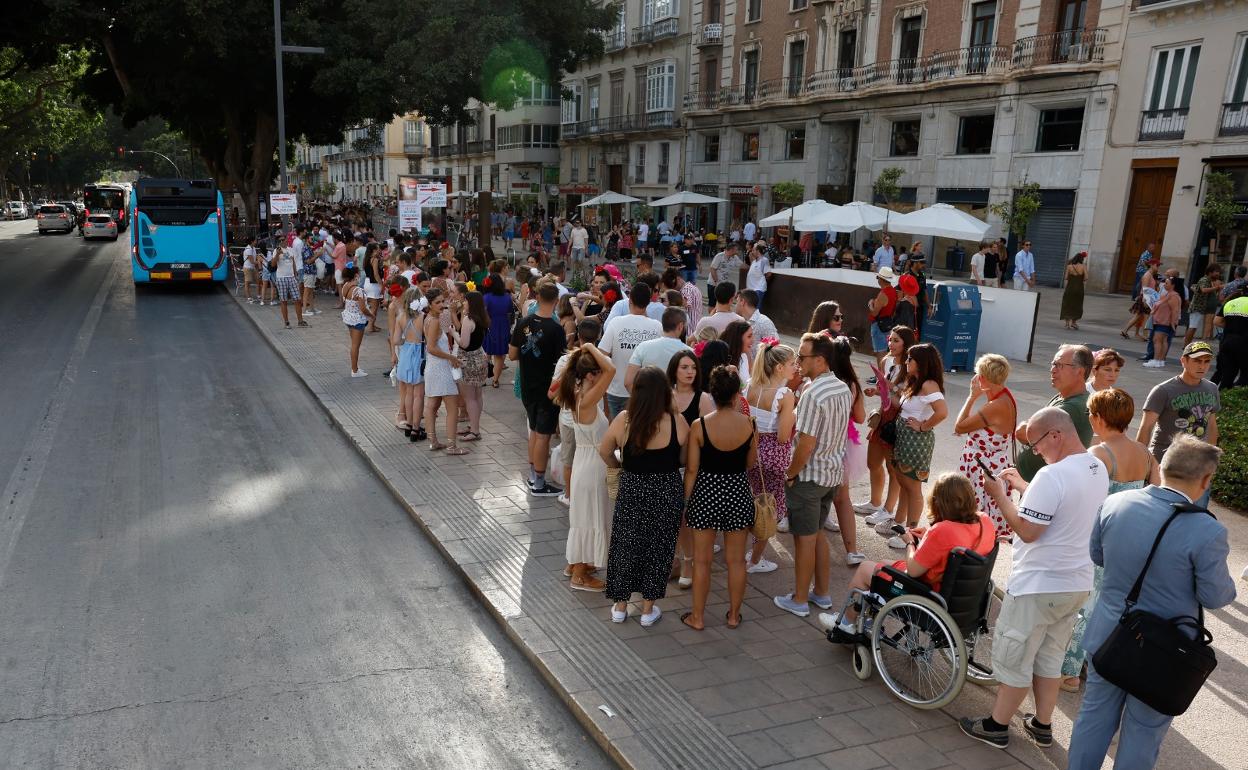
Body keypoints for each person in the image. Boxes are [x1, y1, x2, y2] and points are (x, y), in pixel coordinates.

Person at [1067, 436, 1236, 769]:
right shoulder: (1207, 531)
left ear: (1162, 466)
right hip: (1163, 652)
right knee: (1143, 733)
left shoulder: (1117, 502)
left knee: (1094, 717)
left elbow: (1097, 556)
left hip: (1109, 634)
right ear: (1205, 481)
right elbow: (1216, 596)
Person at [959, 408, 1108, 750]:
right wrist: (1024, 486)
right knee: (1050, 657)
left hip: (1040, 584)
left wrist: (1000, 496)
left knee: (1016, 654)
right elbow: (1064, 507)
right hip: (1076, 583)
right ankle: (1042, 724)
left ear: (1056, 435)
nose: (1035, 451)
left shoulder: (1051, 476)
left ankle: (996, 726)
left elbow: (1027, 531)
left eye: (1036, 444)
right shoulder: (1096, 467)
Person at [1059, 387, 1160, 692]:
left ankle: (1069, 672)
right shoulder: (1145, 453)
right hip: (1133, 541)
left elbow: (1080, 498)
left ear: (1099, 418)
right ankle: (1099, 662)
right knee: (1112, 604)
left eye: (1090, 413)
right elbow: (1156, 492)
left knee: (1084, 604)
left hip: (1099, 540)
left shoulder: (1099, 455)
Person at [818, 473, 996, 633]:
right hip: (964, 595)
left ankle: (847, 622)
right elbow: (961, 541)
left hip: (928, 593)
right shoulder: (985, 521)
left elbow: (913, 571)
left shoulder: (942, 530)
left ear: (939, 502)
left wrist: (909, 542)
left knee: (866, 569)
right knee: (886, 563)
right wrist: (928, 535)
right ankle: (869, 620)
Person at [599, 367, 689, 627]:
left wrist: (619, 467)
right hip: (666, 489)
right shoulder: (676, 421)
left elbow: (604, 450)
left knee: (626, 545)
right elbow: (684, 458)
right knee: (659, 547)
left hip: (632, 489)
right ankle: (648, 609)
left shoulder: (625, 419)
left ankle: (620, 605)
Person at [773, 333, 852, 617]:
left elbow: (806, 443)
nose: (798, 362)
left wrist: (790, 474)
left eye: (802, 357)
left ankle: (799, 599)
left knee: (804, 539)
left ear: (820, 360)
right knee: (817, 535)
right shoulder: (842, 388)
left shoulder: (812, 393)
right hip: (831, 474)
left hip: (809, 477)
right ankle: (821, 593)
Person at [681, 365, 758, 631]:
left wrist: (686, 502)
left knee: (702, 561)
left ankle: (698, 617)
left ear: (712, 394)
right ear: (737, 394)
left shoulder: (699, 425)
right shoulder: (749, 424)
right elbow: (750, 463)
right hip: (737, 492)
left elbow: (691, 469)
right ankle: (734, 616)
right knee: (736, 561)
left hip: (705, 492)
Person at [555, 343, 616, 592]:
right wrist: (590, 345)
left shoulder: (577, 392)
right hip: (592, 467)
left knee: (584, 518)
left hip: (585, 462)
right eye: (597, 373)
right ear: (592, 375)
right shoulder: (589, 398)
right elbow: (610, 369)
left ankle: (576, 564)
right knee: (591, 518)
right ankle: (580, 575)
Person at [886, 343, 948, 549]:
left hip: (917, 441)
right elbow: (903, 407)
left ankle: (911, 534)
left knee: (913, 487)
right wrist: (884, 391)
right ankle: (900, 525)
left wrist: (923, 427)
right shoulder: (915, 381)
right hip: (905, 437)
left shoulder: (929, 384)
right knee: (904, 482)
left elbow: (942, 412)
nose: (906, 361)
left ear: (920, 362)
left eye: (910, 359)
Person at [510, 281, 567, 495]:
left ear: (537, 296)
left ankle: (533, 476)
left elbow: (512, 354)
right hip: (547, 388)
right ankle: (540, 484)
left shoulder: (523, 322)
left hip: (527, 385)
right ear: (556, 301)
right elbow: (562, 362)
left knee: (534, 430)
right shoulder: (556, 329)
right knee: (544, 435)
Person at [744, 341, 797, 569]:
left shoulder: (749, 386)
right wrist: (795, 415)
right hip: (774, 454)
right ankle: (755, 559)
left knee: (753, 501)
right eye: (792, 363)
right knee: (769, 509)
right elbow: (784, 436)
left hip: (750, 451)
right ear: (779, 368)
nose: (796, 368)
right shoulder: (784, 394)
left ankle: (745, 552)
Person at [954, 354, 1018, 539]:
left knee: (976, 526)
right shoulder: (1004, 397)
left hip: (982, 471)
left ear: (982, 378)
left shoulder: (996, 406)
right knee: (983, 526)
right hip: (990, 466)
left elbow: (959, 426)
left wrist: (972, 397)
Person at [859, 325, 915, 527]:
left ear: (906, 344)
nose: (890, 344)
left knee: (893, 469)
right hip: (883, 416)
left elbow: (908, 398)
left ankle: (888, 509)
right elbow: (884, 389)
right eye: (890, 339)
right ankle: (875, 502)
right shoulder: (886, 361)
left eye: (896, 340)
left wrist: (891, 388)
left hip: (897, 419)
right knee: (873, 462)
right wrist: (875, 391)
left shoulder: (911, 367)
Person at [1137, 341, 1220, 474]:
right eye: (1197, 361)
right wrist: (1140, 461)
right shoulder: (1163, 390)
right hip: (1164, 461)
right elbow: (1146, 427)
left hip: (1197, 462)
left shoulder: (1212, 388)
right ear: (1183, 361)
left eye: (1206, 361)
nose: (1202, 366)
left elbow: (1211, 425)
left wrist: (1211, 458)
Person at [1015, 344, 1094, 481]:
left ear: (1080, 372)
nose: (1052, 370)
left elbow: (1023, 433)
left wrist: (1028, 429)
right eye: (1053, 364)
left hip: (1047, 485)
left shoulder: (1073, 407)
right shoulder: (1062, 397)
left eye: (1059, 365)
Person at [601, 283, 662, 419]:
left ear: (630, 300)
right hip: (646, 391)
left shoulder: (616, 323)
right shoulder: (657, 326)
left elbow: (602, 354)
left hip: (617, 388)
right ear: (648, 302)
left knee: (617, 432)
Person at [421, 289, 468, 456]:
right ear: (430, 304)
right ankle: (451, 446)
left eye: (443, 301)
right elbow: (431, 348)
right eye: (438, 302)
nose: (442, 305)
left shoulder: (429, 318)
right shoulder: (433, 321)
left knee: (432, 405)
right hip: (440, 367)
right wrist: (451, 358)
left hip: (433, 367)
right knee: (452, 408)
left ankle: (433, 441)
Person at [625, 307, 690, 392]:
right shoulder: (690, 353)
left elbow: (628, 382)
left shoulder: (643, 347)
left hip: (647, 401)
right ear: (681, 326)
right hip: (677, 403)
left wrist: (641, 401)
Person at [392, 288, 426, 443]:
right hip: (419, 354)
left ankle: (409, 424)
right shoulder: (424, 317)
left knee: (408, 393)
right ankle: (415, 429)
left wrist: (407, 341)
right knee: (419, 394)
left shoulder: (401, 317)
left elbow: (396, 340)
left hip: (406, 353)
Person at [454, 290, 489, 442]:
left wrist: (452, 332)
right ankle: (475, 425)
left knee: (469, 397)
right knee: (477, 395)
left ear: (471, 303)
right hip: (479, 357)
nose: (464, 303)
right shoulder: (481, 317)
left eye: (466, 301)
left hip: (469, 360)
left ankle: (475, 431)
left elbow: (464, 344)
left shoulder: (468, 319)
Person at [339, 266, 374, 377]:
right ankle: (354, 370)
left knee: (354, 344)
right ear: (356, 275)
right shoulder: (359, 290)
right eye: (359, 274)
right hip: (358, 320)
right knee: (355, 346)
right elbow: (363, 309)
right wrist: (371, 315)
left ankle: (355, 368)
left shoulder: (345, 286)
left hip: (349, 318)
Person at [1142, 275, 1183, 368]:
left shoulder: (1174, 296)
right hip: (1161, 321)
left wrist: (1173, 323)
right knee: (1162, 341)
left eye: (1167, 283)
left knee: (1157, 340)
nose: (1164, 284)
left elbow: (1175, 311)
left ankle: (1156, 360)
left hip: (1164, 322)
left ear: (1173, 285)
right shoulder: (1168, 294)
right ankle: (1160, 360)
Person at [482, 270, 513, 389]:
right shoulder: (507, 297)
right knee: (499, 355)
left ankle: (484, 379)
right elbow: (510, 312)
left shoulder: (486, 297)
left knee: (486, 354)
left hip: (490, 325)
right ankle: (495, 380)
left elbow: (484, 313)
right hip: (503, 325)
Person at [269, 238, 308, 329]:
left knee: (297, 299)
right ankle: (286, 322)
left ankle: (300, 321)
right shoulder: (276, 250)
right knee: (284, 301)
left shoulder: (291, 250)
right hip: (281, 277)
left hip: (291, 277)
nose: (283, 241)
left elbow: (293, 262)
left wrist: (295, 274)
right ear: (279, 242)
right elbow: (273, 264)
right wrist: (278, 254)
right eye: (281, 240)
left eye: (284, 240)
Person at [1213, 292, 1248, 389]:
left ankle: (1218, 396)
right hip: (1245, 343)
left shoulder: (1230, 303)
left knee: (1227, 373)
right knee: (1245, 375)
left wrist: (1231, 326)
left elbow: (1216, 321)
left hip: (1227, 341)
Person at [868, 267, 899, 366]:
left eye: (878, 278)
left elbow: (874, 313)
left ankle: (880, 377)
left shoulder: (883, 293)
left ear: (882, 279)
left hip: (879, 325)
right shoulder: (893, 291)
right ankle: (883, 376)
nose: (877, 280)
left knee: (880, 352)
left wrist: (870, 305)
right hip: (887, 324)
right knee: (885, 351)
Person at [1185, 263, 1223, 345]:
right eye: (1216, 272)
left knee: (1193, 327)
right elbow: (1203, 290)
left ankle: (1187, 345)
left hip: (1200, 307)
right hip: (1197, 307)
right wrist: (1217, 288)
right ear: (1210, 272)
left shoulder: (1208, 281)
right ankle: (1186, 345)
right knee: (1192, 327)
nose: (1218, 274)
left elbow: (1196, 287)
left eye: (1219, 272)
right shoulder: (1204, 280)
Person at [1060, 252, 1087, 330]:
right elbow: (1086, 278)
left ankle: (1067, 323)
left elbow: (1066, 277)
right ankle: (1074, 323)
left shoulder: (1069, 267)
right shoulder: (1083, 266)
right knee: (1077, 305)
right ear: (1081, 259)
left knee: (1067, 304)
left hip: (1070, 288)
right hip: (1079, 289)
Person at [744, 242, 772, 310]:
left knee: (756, 308)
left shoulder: (764, 260)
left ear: (758, 251)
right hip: (751, 289)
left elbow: (768, 274)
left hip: (758, 289)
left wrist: (761, 282)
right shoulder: (754, 262)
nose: (752, 252)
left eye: (753, 250)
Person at [241, 235, 259, 303]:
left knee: (258, 280)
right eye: (255, 240)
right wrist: (260, 262)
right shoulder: (248, 250)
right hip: (247, 268)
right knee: (247, 283)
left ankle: (258, 295)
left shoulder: (253, 248)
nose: (256, 242)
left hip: (252, 267)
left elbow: (254, 259)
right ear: (252, 241)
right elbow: (252, 261)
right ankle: (248, 297)